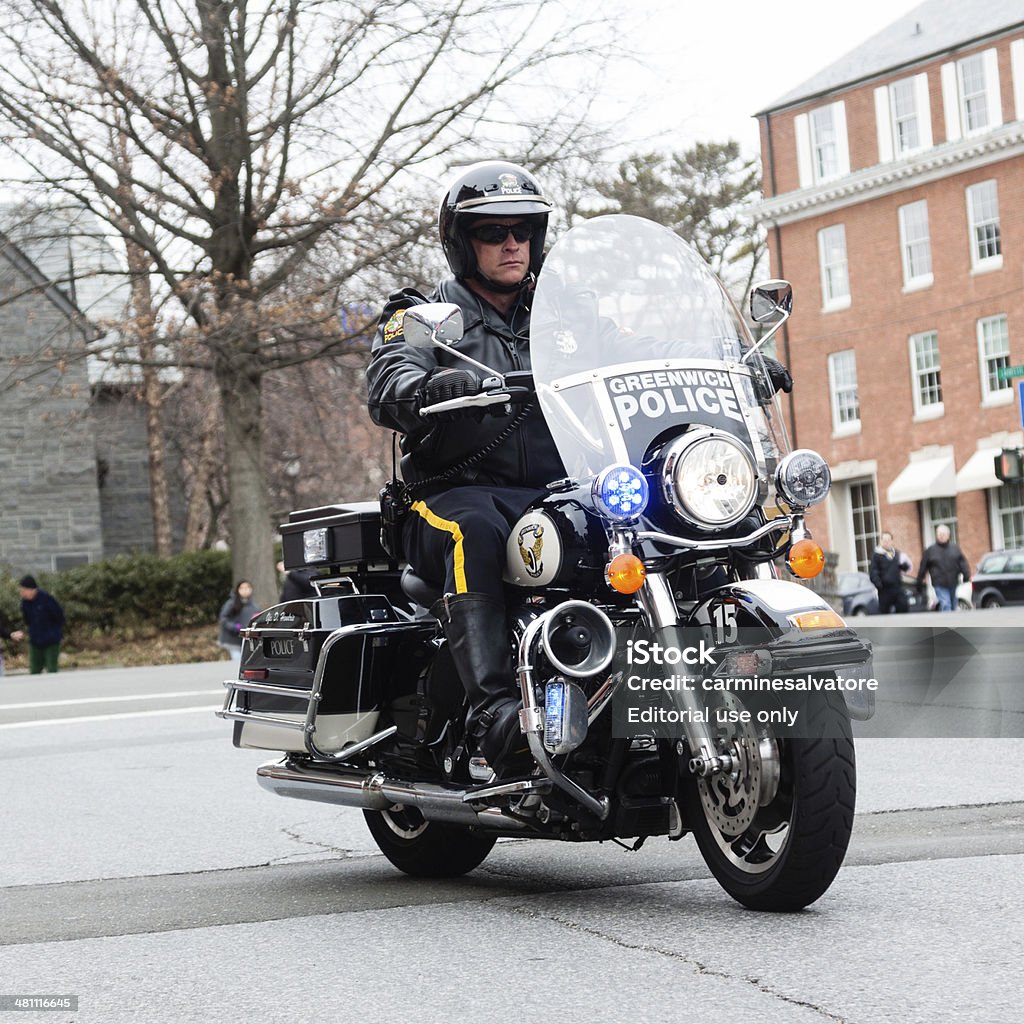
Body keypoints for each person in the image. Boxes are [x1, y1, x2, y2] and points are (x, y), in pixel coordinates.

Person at [366, 160, 792, 775]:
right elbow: (389, 376)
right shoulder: (426, 314)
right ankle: (493, 712)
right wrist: (428, 384)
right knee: (475, 531)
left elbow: (639, 351)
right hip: (454, 493)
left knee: (657, 516)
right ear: (463, 242)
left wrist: (728, 359)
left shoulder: (564, 313)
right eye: (493, 232)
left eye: (524, 230)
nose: (512, 243)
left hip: (559, 489)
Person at [11, 575, 65, 674]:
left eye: (23, 591)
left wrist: (56, 632)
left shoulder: (47, 599)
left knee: (52, 669)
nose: (21, 593)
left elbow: (59, 616)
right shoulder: (24, 603)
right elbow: (27, 620)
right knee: (34, 671)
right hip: (35, 640)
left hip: (51, 640)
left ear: (32, 589)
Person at [916, 525, 970, 612]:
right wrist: (919, 582)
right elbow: (923, 567)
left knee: (953, 605)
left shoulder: (955, 548)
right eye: (939, 534)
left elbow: (963, 563)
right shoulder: (930, 550)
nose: (941, 536)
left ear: (948, 535)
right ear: (936, 535)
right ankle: (947, 624)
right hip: (939, 583)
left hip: (953, 582)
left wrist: (966, 575)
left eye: (943, 534)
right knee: (946, 603)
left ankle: (953, 624)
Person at [869, 531, 912, 614]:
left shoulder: (896, 554)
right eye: (884, 540)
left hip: (897, 587)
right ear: (881, 541)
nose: (886, 542)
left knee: (903, 607)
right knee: (884, 613)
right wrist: (879, 585)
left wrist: (905, 565)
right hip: (884, 589)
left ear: (892, 541)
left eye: (888, 540)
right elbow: (873, 571)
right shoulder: (877, 555)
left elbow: (901, 567)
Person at [218, 580, 262, 661]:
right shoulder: (231, 603)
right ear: (238, 590)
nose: (245, 590)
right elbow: (223, 619)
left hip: (246, 640)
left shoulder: (255, 606)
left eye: (247, 587)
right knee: (237, 661)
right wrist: (234, 627)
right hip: (232, 640)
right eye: (242, 588)